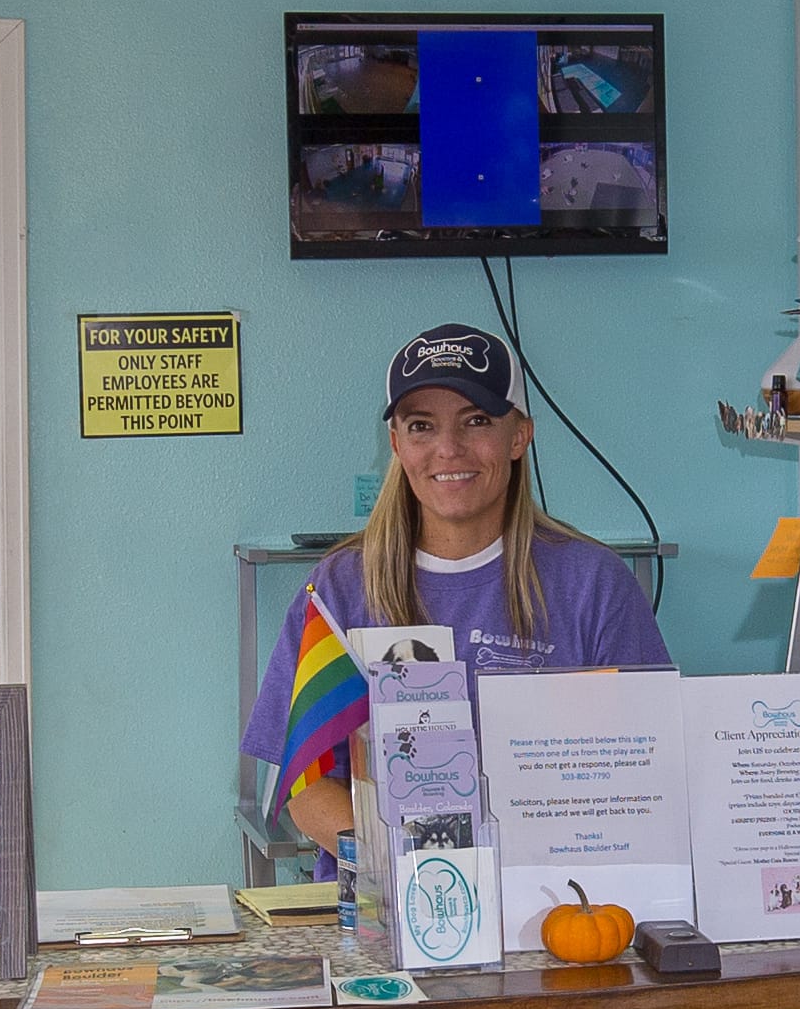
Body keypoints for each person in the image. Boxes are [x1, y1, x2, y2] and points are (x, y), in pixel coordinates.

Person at [243, 325, 670, 851]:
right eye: (422, 426)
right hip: (386, 906)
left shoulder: (596, 585)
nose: (449, 448)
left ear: (519, 437)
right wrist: (415, 863)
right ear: (397, 445)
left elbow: (642, 769)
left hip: (554, 897)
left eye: (477, 422)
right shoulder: (339, 587)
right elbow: (308, 790)